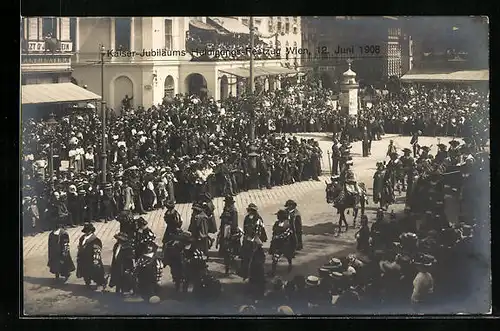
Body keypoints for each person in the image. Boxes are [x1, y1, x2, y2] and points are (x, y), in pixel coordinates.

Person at [76, 222, 107, 290]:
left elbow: (97, 251)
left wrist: (96, 260)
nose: (86, 232)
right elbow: (80, 247)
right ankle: (87, 282)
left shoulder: (96, 240)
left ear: (91, 231)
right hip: (83, 259)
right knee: (85, 272)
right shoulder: (82, 238)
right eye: (85, 231)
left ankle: (101, 283)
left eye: (88, 231)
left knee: (96, 273)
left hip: (91, 259)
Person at [240, 203, 267, 280]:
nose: (250, 212)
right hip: (247, 240)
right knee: (246, 257)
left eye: (252, 210)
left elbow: (260, 230)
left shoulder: (258, 219)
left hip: (255, 241)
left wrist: (255, 238)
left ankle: (256, 274)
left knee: (256, 257)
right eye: (250, 210)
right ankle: (245, 273)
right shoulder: (247, 218)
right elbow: (245, 228)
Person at [216, 195, 241, 275]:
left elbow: (234, 224)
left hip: (230, 234)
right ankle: (228, 268)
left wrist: (232, 234)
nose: (226, 204)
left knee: (230, 253)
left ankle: (236, 268)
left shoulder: (233, 211)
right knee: (226, 253)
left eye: (227, 203)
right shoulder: (225, 209)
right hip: (224, 232)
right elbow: (222, 222)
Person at [269, 209, 295, 276]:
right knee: (275, 258)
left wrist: (279, 237)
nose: (277, 217)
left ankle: (290, 264)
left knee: (288, 256)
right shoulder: (276, 223)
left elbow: (287, 233)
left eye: (279, 216)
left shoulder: (287, 224)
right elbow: (274, 231)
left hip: (285, 244)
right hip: (277, 244)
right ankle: (273, 271)